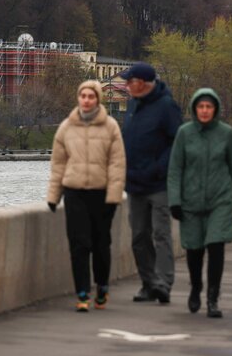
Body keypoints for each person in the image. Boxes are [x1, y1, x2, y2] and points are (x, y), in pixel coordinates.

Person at [167, 88, 232, 318]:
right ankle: (196, 287)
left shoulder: (226, 134)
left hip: (220, 201)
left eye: (209, 107)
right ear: (194, 109)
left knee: (215, 246)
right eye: (201, 107)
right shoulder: (184, 134)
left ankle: (213, 297)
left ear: (215, 109)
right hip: (190, 201)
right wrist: (174, 201)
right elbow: (175, 170)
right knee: (193, 250)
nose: (204, 111)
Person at [47, 80, 126, 312]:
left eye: (91, 96)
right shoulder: (66, 127)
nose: (87, 100)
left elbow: (117, 164)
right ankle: (82, 291)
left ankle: (101, 286)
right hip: (74, 192)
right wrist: (53, 195)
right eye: (83, 96)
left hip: (101, 193)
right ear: (78, 98)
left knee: (101, 243)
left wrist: (114, 196)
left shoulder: (111, 126)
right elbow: (58, 164)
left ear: (98, 99)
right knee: (79, 243)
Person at [119, 62, 183, 304]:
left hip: (159, 184)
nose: (126, 86)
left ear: (143, 84)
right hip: (135, 183)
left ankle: (164, 284)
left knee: (161, 234)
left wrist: (158, 168)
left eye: (130, 81)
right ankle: (149, 284)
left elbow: (177, 143)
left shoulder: (166, 106)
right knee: (138, 236)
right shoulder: (134, 104)